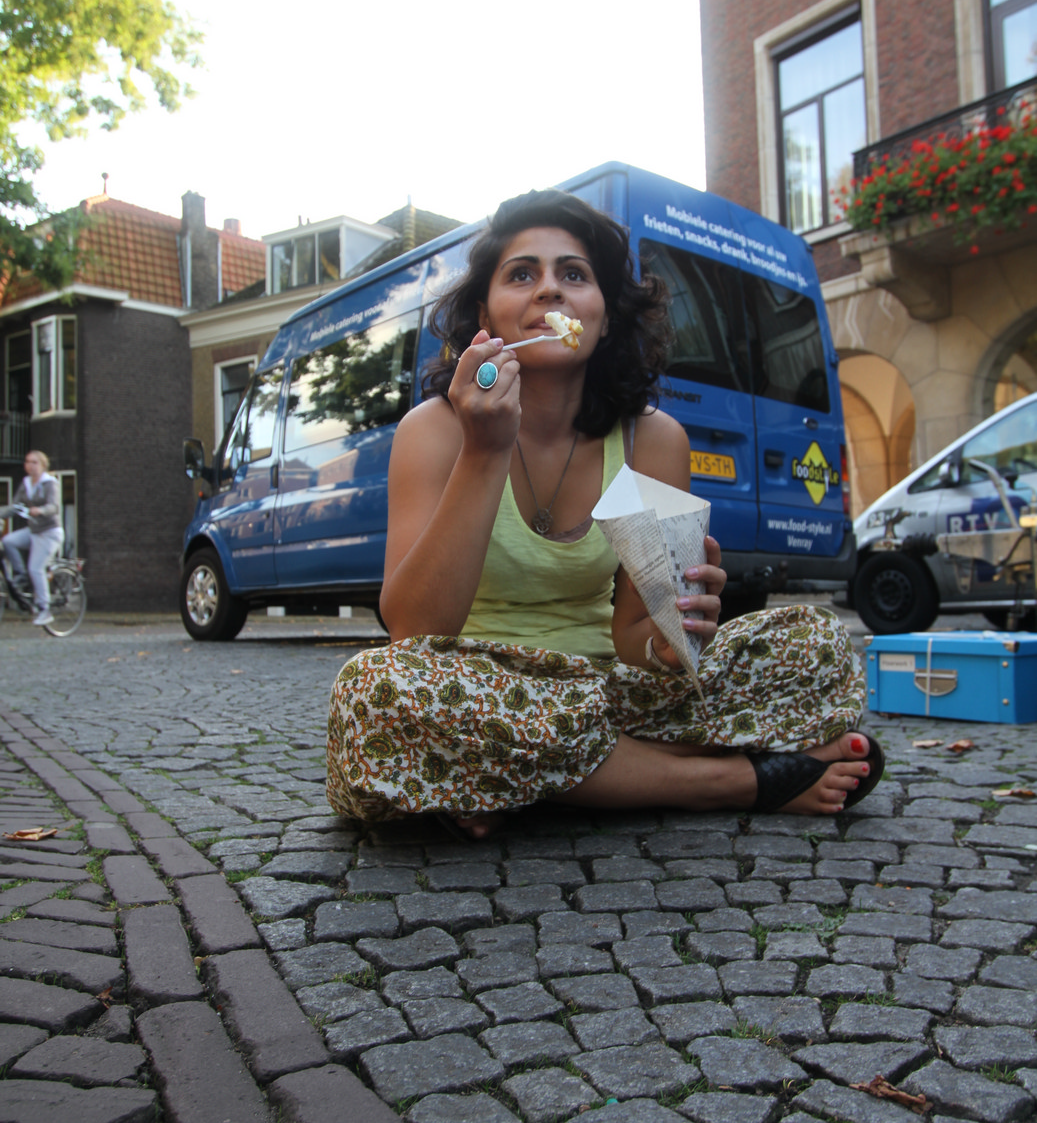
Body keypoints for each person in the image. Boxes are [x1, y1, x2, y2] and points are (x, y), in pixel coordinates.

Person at [327, 190, 880, 837]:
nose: (549, 290)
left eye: (573, 274)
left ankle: (514, 776)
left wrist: (670, 642)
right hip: (467, 685)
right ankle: (727, 780)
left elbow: (634, 638)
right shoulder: (435, 430)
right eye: (521, 274)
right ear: (485, 315)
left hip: (605, 692)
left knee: (816, 644)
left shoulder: (654, 440)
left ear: (606, 317)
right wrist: (484, 451)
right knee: (375, 690)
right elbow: (414, 630)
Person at [1, 449, 62, 626]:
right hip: (33, 532)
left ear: (43, 465)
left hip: (49, 533)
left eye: (34, 462)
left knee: (35, 568)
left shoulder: (49, 483)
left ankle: (45, 609)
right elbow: (15, 506)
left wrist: (40, 510)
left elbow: (54, 507)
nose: (30, 465)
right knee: (8, 541)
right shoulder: (26, 483)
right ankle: (21, 575)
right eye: (27, 462)